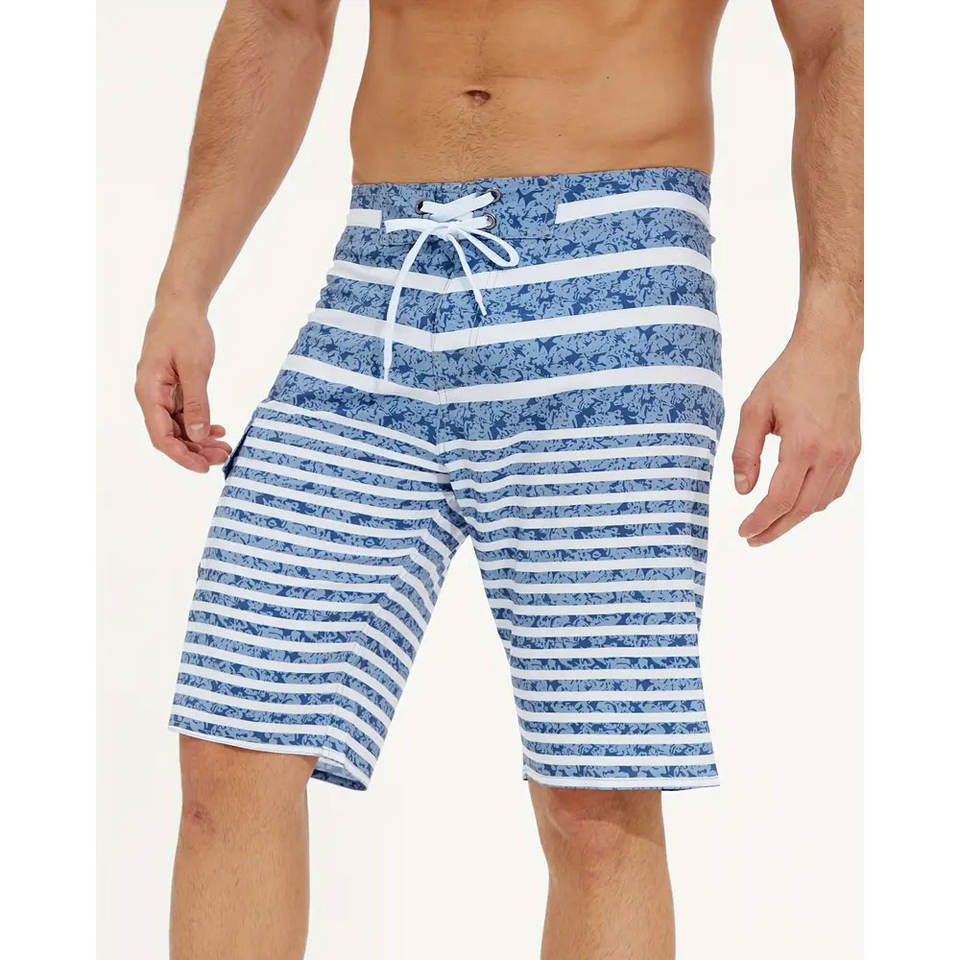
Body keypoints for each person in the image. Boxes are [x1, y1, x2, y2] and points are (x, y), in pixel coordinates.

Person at [134, 1, 863, 957]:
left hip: (614, 282)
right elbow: (283, 16)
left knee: (595, 803)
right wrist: (184, 287)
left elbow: (835, 36)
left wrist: (832, 328)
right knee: (234, 741)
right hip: (380, 278)